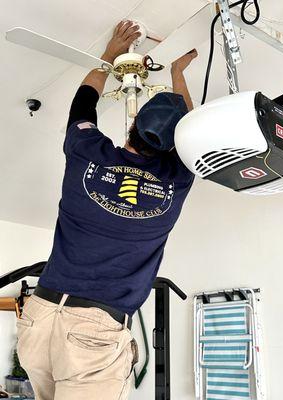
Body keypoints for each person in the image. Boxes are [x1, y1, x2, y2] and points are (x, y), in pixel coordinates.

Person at [16, 20, 198, 400]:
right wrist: (178, 74)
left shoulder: (86, 152)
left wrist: (109, 53)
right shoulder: (176, 180)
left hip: (41, 315)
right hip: (91, 333)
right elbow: (193, 137)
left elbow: (83, 101)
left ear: (130, 132)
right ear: (173, 148)